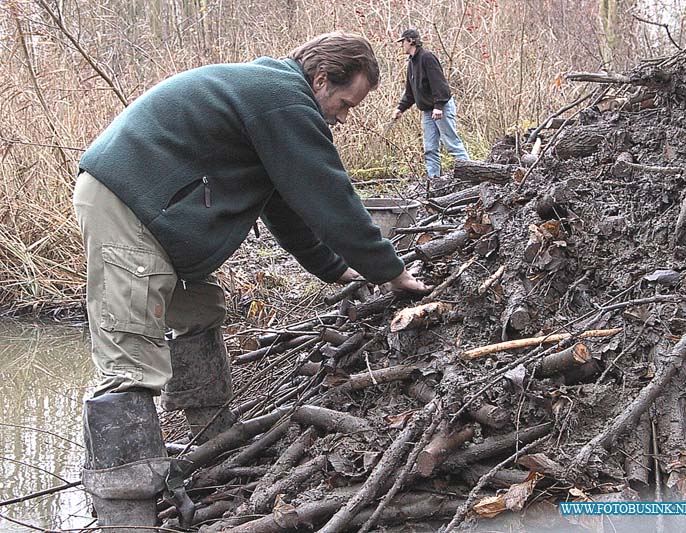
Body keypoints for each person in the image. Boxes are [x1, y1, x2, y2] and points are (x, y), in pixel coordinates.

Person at [73, 32, 428, 530]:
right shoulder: (281, 99)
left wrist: (334, 267)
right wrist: (390, 270)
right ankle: (125, 512)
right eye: (346, 103)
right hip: (127, 205)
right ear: (322, 79)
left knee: (199, 311)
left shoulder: (271, 101)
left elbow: (288, 205)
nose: (343, 117)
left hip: (152, 212)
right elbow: (330, 194)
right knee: (130, 358)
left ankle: (213, 442)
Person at [391, 28, 470, 179]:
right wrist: (400, 108)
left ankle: (471, 175)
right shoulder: (411, 63)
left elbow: (440, 84)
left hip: (441, 108)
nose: (401, 45)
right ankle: (434, 181)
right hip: (428, 111)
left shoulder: (427, 57)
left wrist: (439, 106)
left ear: (411, 41)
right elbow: (410, 93)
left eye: (403, 42)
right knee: (430, 148)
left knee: (452, 144)